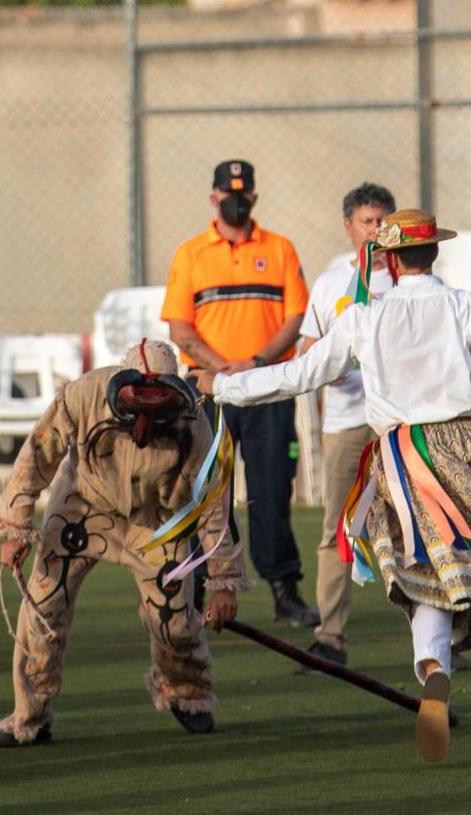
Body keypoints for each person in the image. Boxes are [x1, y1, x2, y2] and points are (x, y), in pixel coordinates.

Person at [204, 208, 471, 764]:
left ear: (388, 258)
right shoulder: (464, 304)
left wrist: (222, 386)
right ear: (435, 254)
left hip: (403, 463)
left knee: (426, 581)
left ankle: (433, 667)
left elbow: (299, 375)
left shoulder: (364, 317)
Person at [0, 343, 245, 749]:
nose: (144, 422)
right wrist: (15, 527)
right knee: (42, 604)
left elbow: (213, 502)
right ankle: (29, 714)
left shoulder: (194, 423)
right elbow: (36, 456)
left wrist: (224, 580)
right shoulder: (81, 396)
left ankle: (187, 692)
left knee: (175, 622)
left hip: (159, 522)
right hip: (82, 507)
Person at [161, 160, 316, 628]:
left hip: (266, 387)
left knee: (271, 491)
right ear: (212, 198)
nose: (236, 200)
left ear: (254, 197)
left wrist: (256, 365)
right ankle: (206, 589)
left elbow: (295, 318)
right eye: (228, 194)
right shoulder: (190, 253)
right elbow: (179, 329)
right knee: (208, 494)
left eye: (243, 193)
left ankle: (284, 591)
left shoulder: (280, 249)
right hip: (207, 391)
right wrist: (219, 367)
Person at [298, 181, 396, 666]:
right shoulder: (331, 280)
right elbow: (307, 347)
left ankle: (441, 636)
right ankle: (330, 637)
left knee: (418, 524)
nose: (376, 231)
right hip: (345, 420)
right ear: (348, 226)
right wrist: (327, 366)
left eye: (383, 221)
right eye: (367, 222)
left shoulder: (406, 279)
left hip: (398, 421)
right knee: (338, 526)